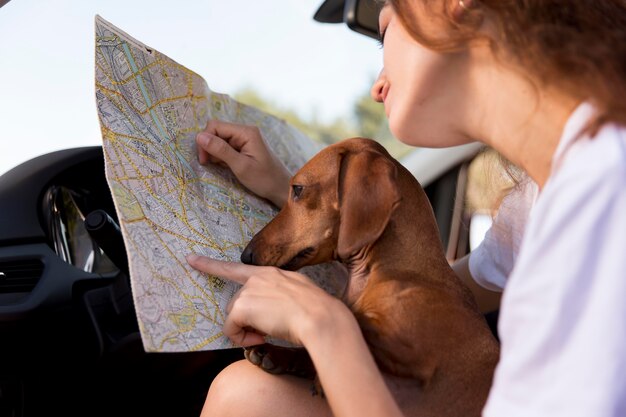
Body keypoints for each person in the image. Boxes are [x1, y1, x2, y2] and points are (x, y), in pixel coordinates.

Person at [186, 0, 626, 415]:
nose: (377, 85)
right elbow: (422, 286)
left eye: (384, 31)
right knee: (247, 393)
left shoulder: (602, 191)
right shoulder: (541, 203)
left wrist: (323, 325)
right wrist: (296, 189)